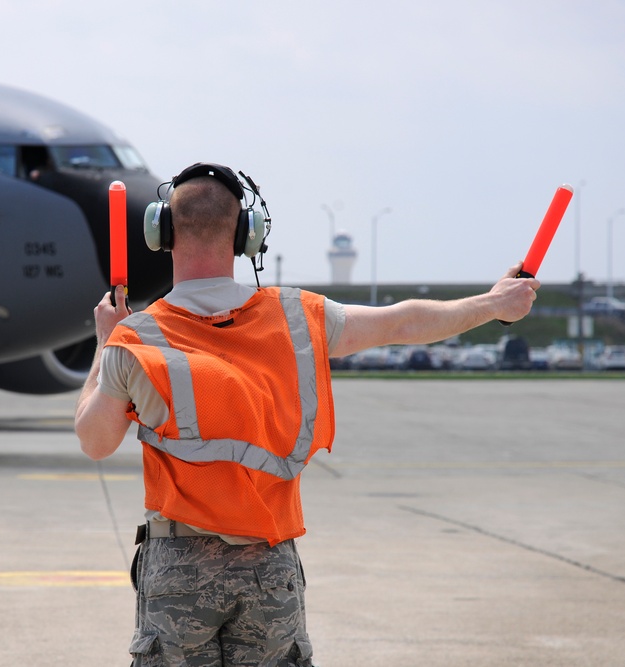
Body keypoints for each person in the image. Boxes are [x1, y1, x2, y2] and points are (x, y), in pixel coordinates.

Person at [73, 163, 539, 666]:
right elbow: (405, 321)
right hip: (269, 567)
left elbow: (94, 440)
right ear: (246, 235)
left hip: (178, 570)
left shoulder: (137, 339)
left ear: (161, 232)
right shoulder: (298, 318)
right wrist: (493, 304)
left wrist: (105, 343)